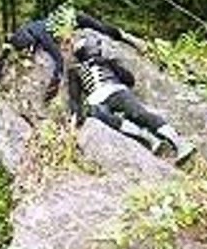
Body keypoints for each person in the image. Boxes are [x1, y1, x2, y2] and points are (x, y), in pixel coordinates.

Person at [68, 35, 196, 164]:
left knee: (139, 114)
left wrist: (111, 64)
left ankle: (179, 142)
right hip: (96, 100)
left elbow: (130, 80)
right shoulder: (75, 70)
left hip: (116, 90)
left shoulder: (107, 61)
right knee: (99, 115)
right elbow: (74, 96)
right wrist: (74, 117)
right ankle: (148, 137)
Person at [0, 0, 144, 105]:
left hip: (75, 19)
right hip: (62, 22)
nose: (28, 54)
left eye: (28, 49)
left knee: (101, 28)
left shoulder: (43, 36)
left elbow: (59, 62)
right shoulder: (20, 34)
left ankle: (126, 37)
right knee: (99, 26)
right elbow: (3, 57)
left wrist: (52, 88)